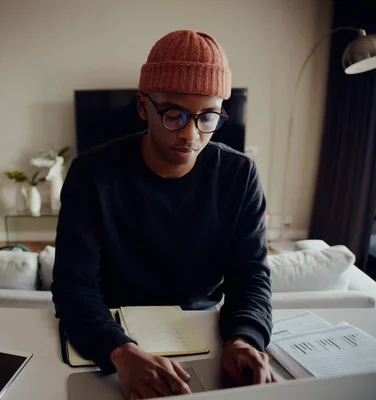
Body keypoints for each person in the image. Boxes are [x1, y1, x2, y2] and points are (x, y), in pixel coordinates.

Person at [51, 30, 274, 399]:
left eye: (208, 117)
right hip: (109, 325)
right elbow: (73, 286)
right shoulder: (92, 173)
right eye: (174, 114)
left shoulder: (239, 175)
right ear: (143, 107)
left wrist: (245, 338)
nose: (191, 135)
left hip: (202, 325)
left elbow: (250, 276)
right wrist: (119, 351)